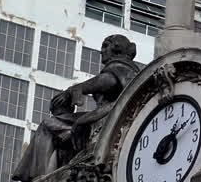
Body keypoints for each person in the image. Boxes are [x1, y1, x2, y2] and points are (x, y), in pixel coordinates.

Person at [11, 35, 140, 181]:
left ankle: (37, 176)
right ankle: (48, 172)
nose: (101, 51)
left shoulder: (119, 67)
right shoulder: (125, 70)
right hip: (102, 117)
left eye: (106, 46)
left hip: (105, 120)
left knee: (48, 126)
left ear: (117, 49)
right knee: (60, 135)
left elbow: (107, 82)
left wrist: (76, 89)